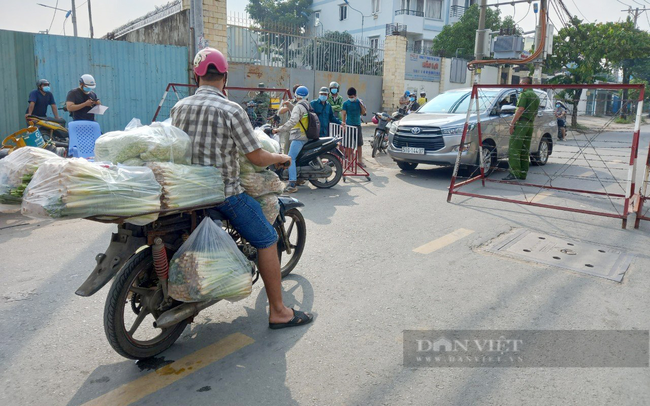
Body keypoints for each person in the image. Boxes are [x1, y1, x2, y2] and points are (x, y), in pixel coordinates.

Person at [171, 48, 313, 329]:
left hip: (187, 194)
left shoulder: (179, 107)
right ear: (224, 77)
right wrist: (280, 158)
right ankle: (279, 312)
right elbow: (256, 157)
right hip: (223, 196)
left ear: (197, 75)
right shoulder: (231, 109)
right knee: (266, 238)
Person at [272, 86, 310, 193]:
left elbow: (293, 121)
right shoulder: (306, 104)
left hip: (299, 136)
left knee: (290, 158)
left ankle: (292, 184)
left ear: (296, 95)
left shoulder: (298, 106)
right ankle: (298, 178)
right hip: (306, 135)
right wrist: (290, 106)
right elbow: (298, 113)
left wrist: (279, 129)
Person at [505, 77, 540, 181]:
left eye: (520, 84)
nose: (519, 86)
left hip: (521, 123)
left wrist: (512, 124)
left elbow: (520, 109)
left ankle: (514, 172)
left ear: (525, 84)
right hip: (530, 124)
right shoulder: (536, 97)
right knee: (524, 149)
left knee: (514, 148)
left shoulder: (524, 94)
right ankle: (523, 173)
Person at [341, 87, 367, 167]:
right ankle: (350, 161)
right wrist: (344, 124)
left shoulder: (359, 102)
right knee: (349, 144)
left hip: (358, 125)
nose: (350, 98)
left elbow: (363, 112)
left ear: (355, 95)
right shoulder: (345, 103)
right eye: (349, 97)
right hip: (349, 125)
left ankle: (359, 160)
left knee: (359, 144)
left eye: (352, 97)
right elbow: (344, 114)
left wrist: (361, 105)